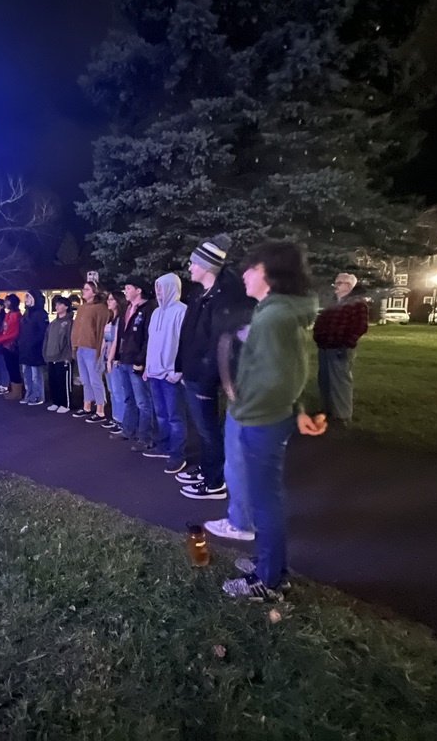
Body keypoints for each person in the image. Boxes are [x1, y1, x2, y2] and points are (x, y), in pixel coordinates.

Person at [207, 241, 327, 602]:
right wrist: (299, 410)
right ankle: (271, 564)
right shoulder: (276, 311)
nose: (243, 274)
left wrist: (244, 404)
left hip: (262, 421)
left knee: (264, 501)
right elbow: (294, 369)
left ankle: (269, 580)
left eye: (250, 268)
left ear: (268, 273)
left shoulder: (274, 316)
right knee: (266, 498)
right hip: (271, 416)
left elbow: (279, 378)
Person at [175, 236, 254, 499]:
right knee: (203, 428)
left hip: (205, 376)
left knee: (208, 429)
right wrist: (181, 366)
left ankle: (213, 482)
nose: (189, 267)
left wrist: (205, 378)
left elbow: (219, 344)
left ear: (207, 267)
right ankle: (209, 469)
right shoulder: (200, 295)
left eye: (193, 263)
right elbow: (188, 336)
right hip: (194, 372)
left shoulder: (223, 299)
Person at [143, 274, 188, 474]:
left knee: (175, 417)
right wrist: (147, 367)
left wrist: (179, 371)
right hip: (154, 373)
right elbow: (152, 343)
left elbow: (186, 344)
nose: (158, 291)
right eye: (157, 287)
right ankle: (164, 446)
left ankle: (177, 455)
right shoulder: (155, 313)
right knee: (161, 414)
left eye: (161, 287)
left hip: (171, 375)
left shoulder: (181, 311)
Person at [313, 272, 369, 427]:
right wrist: (318, 337)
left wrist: (346, 343)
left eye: (339, 283)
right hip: (325, 347)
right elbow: (321, 322)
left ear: (349, 286)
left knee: (340, 381)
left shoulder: (358, 303)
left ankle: (342, 416)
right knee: (325, 380)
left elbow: (360, 326)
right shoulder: (334, 303)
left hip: (340, 348)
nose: (335, 286)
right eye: (335, 283)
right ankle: (328, 410)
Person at [115, 277, 158, 450]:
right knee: (129, 398)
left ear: (138, 290)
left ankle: (145, 437)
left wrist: (141, 360)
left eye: (128, 288)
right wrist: (118, 354)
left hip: (136, 361)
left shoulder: (148, 309)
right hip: (124, 359)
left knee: (143, 402)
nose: (125, 291)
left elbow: (148, 338)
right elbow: (122, 334)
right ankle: (128, 430)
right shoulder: (127, 308)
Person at [70, 280, 111, 421]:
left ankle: (100, 409)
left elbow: (101, 329)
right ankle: (87, 406)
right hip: (81, 348)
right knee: (85, 380)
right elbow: (77, 328)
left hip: (92, 348)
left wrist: (100, 349)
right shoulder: (81, 308)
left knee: (95, 380)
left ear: (94, 292)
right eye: (83, 289)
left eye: (87, 289)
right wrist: (74, 344)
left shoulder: (100, 308)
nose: (83, 291)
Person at [102, 291, 128, 432]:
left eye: (111, 299)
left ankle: (123, 420)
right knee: (112, 390)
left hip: (115, 360)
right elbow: (105, 341)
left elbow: (115, 341)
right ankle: (116, 417)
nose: (108, 301)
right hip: (107, 358)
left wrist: (110, 359)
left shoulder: (120, 320)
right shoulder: (111, 319)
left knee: (119, 391)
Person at [43, 296, 74, 413]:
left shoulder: (69, 323)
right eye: (56, 304)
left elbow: (70, 341)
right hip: (51, 356)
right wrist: (45, 354)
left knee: (63, 382)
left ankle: (66, 404)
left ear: (66, 307)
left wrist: (69, 356)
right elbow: (46, 339)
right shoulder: (53, 323)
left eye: (60, 304)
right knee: (53, 381)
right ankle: (56, 402)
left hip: (63, 357)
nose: (57, 307)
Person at [18, 290, 49, 407]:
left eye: (29, 297)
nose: (26, 300)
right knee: (26, 373)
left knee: (36, 374)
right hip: (25, 348)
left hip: (35, 349)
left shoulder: (41, 313)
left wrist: (35, 343)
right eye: (25, 298)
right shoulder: (26, 314)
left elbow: (43, 332)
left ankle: (38, 396)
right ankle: (29, 394)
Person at [0, 293, 23, 401]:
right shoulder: (8, 314)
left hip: (12, 346)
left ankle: (17, 391)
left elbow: (13, 333)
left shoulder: (16, 315)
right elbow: (5, 329)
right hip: (5, 345)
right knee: (10, 368)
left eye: (7, 301)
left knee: (14, 368)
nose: (5, 303)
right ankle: (13, 390)